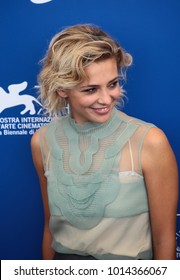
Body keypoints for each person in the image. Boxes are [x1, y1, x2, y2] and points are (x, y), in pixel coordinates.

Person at [31, 24, 178, 260]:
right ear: (61, 89)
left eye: (112, 84)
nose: (106, 98)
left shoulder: (149, 140)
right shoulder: (42, 142)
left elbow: (164, 239)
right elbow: (50, 228)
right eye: (90, 89)